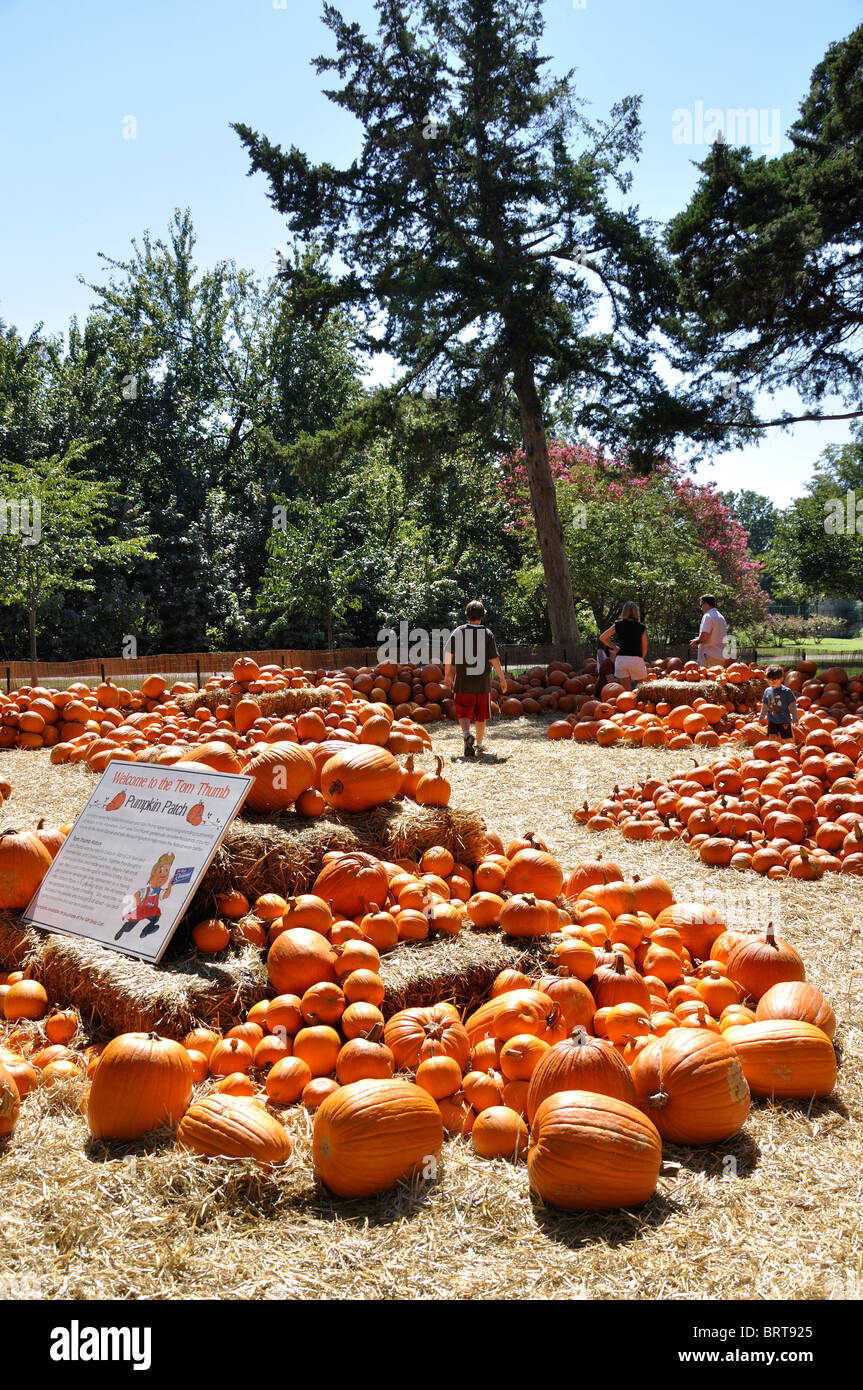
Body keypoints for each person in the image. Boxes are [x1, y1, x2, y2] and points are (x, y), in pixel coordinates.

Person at [443, 600, 509, 758]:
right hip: (482, 682)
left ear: (467, 615)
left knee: (464, 711)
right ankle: (479, 744)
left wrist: (447, 675)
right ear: (483, 615)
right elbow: (494, 659)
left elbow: (448, 655)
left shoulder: (458, 632)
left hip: (463, 681)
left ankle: (466, 734)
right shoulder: (487, 633)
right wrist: (502, 678)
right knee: (481, 714)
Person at [599, 602, 648, 691]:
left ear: (624, 612)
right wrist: (642, 658)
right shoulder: (641, 627)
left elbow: (602, 638)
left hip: (621, 660)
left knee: (627, 694)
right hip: (636, 659)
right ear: (636, 612)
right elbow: (645, 647)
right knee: (643, 691)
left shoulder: (618, 625)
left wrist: (614, 647)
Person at [759, 664, 798, 741]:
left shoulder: (786, 691)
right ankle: (773, 752)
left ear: (781, 679)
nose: (771, 684)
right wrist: (761, 717)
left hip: (784, 721)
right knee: (772, 738)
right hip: (772, 720)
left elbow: (792, 705)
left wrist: (795, 718)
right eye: (769, 681)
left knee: (787, 739)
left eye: (774, 681)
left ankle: (791, 751)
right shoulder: (767, 691)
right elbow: (765, 705)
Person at [689, 594, 728, 667]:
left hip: (709, 655)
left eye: (701, 605)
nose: (701, 608)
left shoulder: (708, 616)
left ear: (706, 604)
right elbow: (714, 636)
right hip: (720, 656)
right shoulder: (720, 617)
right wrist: (698, 638)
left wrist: (696, 642)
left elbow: (705, 636)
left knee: (707, 677)